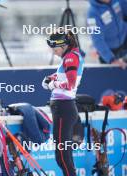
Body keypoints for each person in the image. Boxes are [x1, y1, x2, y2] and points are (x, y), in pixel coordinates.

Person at [42, 30, 84, 176]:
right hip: (65, 107)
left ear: (64, 45)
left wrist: (53, 84)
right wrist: (50, 78)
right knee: (64, 153)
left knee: (61, 155)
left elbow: (71, 83)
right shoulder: (70, 56)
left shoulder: (70, 58)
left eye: (55, 49)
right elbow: (64, 75)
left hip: (63, 108)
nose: (54, 52)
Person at [87, 0, 127, 69]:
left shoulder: (117, 1)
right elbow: (97, 39)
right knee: (112, 77)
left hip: (124, 40)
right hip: (109, 52)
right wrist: (111, 59)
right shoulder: (92, 13)